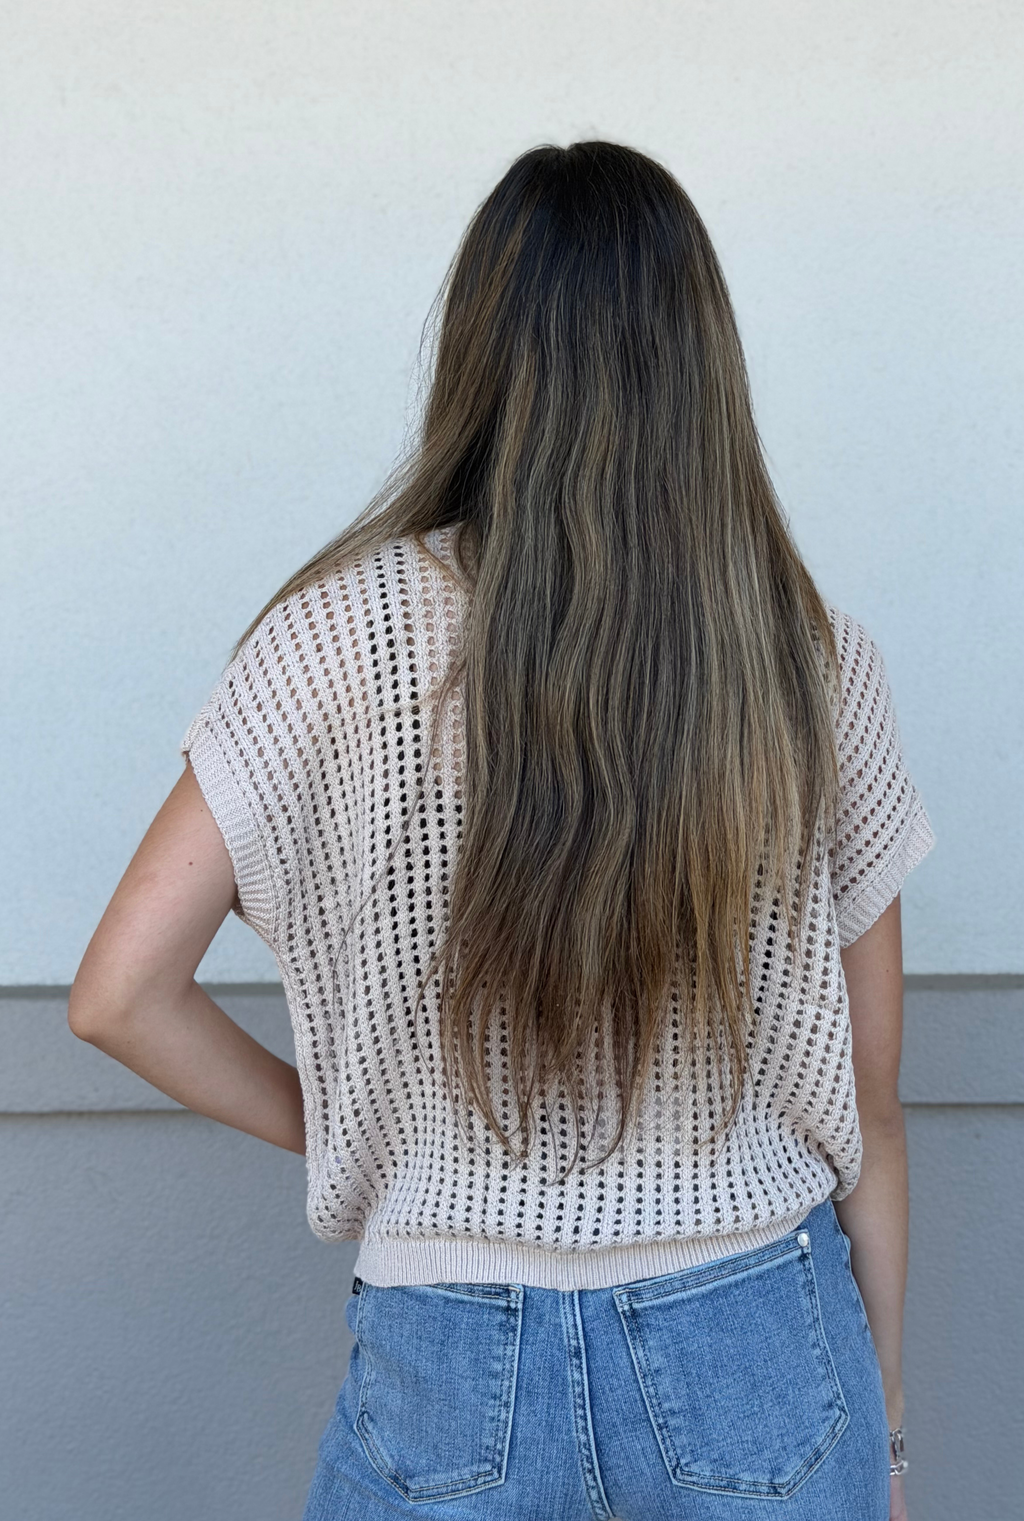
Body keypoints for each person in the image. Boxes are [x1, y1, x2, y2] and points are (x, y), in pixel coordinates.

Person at [69, 141, 934, 1520]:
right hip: (758, 1344)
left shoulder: (327, 641)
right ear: (699, 360)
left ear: (479, 353)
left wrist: (359, 1139)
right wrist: (883, 1433)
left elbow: (118, 996)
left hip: (447, 1353)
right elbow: (871, 1107)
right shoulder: (806, 657)